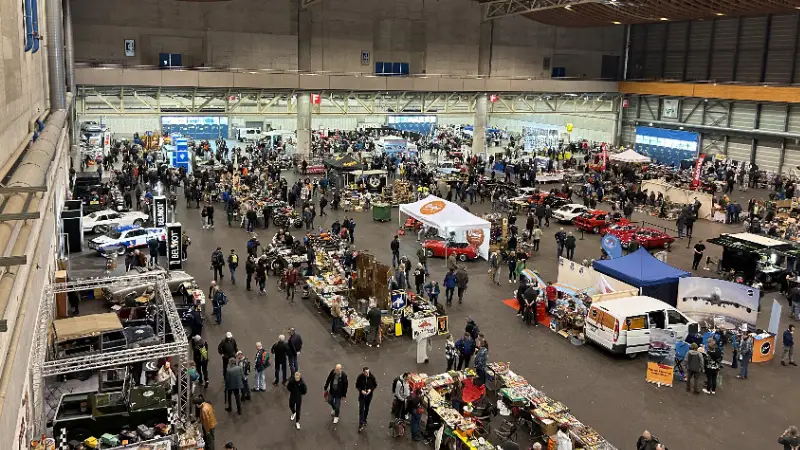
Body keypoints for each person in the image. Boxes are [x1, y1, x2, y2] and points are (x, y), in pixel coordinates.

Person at [355, 366, 377, 432]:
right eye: (366, 372)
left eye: (368, 372)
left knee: (366, 408)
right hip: (362, 396)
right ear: (363, 372)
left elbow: (375, 385)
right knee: (361, 409)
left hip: (369, 396)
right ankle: (360, 424)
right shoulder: (360, 377)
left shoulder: (372, 377)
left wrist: (370, 390)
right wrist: (361, 390)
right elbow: (357, 385)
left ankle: (364, 419)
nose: (367, 374)